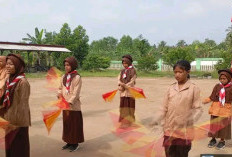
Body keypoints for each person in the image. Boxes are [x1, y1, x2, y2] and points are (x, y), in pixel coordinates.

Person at [151, 60, 202, 157]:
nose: (177, 75)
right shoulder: (170, 88)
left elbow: (198, 109)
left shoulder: (193, 89)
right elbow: (163, 108)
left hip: (184, 132)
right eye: (175, 72)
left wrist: (190, 119)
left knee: (181, 153)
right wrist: (156, 119)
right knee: (169, 153)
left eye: (180, 72)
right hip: (169, 130)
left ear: (188, 72)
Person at [1, 54, 31, 157]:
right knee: (10, 147)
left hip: (18, 123)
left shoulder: (22, 82)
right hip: (9, 120)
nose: (8, 66)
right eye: (7, 64)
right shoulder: (9, 80)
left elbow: (22, 106)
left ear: (18, 66)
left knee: (19, 148)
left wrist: (13, 124)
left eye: (11, 64)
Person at [58, 56, 84, 152]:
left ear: (73, 65)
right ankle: (68, 141)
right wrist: (59, 95)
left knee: (74, 124)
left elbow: (76, 92)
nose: (66, 67)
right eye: (65, 65)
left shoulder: (77, 77)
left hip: (73, 106)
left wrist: (70, 102)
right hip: (65, 105)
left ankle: (75, 143)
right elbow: (60, 88)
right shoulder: (63, 77)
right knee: (67, 124)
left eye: (68, 65)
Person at [203, 69, 232, 149]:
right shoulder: (217, 86)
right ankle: (213, 139)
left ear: (229, 78)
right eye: (221, 79)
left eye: (224, 79)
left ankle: (222, 141)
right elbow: (212, 96)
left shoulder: (231, 88)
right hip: (215, 110)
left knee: (223, 127)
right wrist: (206, 100)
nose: (222, 80)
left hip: (225, 111)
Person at [117, 55, 137, 128]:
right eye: (123, 63)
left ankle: (130, 122)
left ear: (129, 63)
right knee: (123, 107)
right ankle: (124, 122)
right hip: (123, 93)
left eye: (126, 63)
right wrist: (120, 85)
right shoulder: (122, 71)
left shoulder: (133, 70)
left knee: (130, 107)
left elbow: (132, 81)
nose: (124, 65)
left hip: (130, 92)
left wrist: (125, 86)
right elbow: (118, 79)